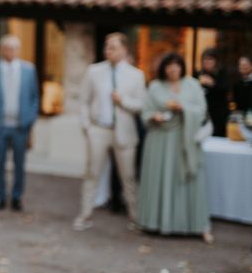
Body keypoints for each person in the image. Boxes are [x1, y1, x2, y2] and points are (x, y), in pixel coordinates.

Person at [137, 53, 213, 244]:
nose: (173, 69)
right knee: (160, 179)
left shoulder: (193, 85)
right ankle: (154, 221)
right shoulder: (155, 86)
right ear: (163, 68)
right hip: (159, 140)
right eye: (169, 66)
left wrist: (183, 108)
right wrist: (155, 116)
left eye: (177, 65)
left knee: (187, 180)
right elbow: (145, 111)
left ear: (182, 67)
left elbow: (202, 110)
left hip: (184, 139)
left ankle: (195, 225)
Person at [74, 33, 146, 230]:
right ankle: (85, 215)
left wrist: (123, 101)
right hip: (98, 129)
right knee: (91, 174)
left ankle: (135, 217)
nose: (108, 50)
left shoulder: (136, 75)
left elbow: (141, 104)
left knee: (128, 177)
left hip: (124, 132)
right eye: (107, 46)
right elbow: (84, 101)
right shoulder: (94, 71)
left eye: (113, 47)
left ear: (124, 50)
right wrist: (87, 127)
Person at [0, 35, 39, 211]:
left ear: (18, 50)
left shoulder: (29, 70)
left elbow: (34, 97)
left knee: (20, 164)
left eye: (13, 48)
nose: (10, 52)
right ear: (1, 50)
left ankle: (17, 197)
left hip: (21, 126)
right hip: (0, 126)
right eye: (7, 48)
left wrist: (30, 119)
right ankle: (1, 197)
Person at [194, 48, 228, 137]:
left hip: (218, 116)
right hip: (201, 114)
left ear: (216, 61)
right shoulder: (197, 74)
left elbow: (224, 91)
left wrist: (212, 84)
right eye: (205, 59)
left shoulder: (221, 74)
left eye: (210, 59)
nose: (207, 61)